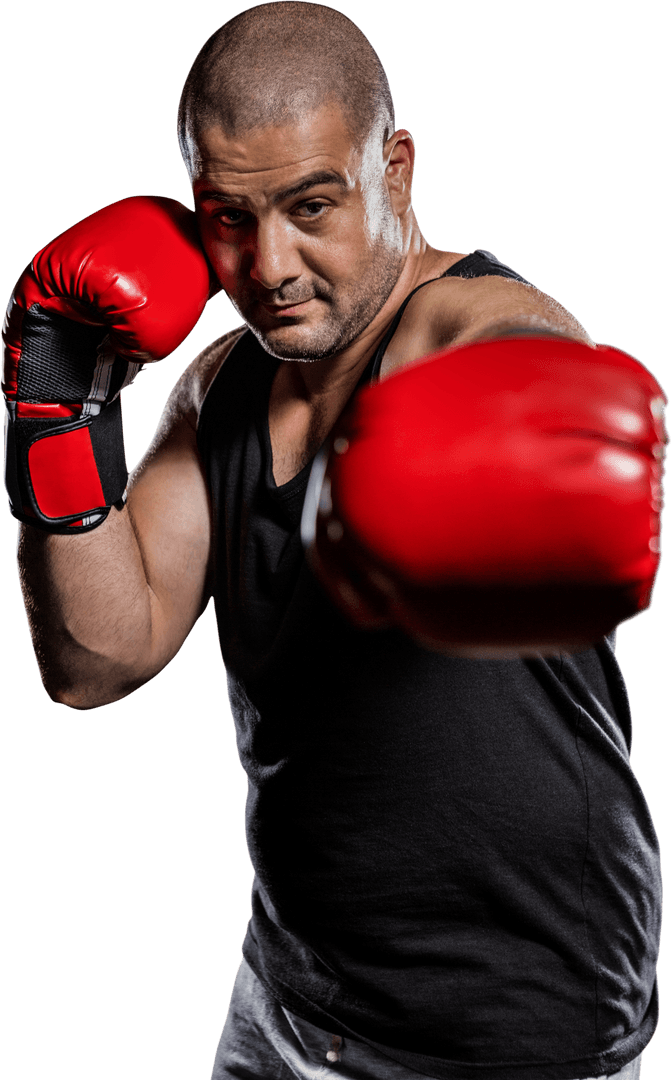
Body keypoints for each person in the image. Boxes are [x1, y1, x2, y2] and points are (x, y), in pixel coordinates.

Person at [1, 4, 664, 1079]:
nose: (270, 265)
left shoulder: (464, 324)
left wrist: (525, 414)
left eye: (312, 206)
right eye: (229, 218)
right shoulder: (224, 385)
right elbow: (95, 659)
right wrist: (54, 403)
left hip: (508, 1030)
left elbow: (523, 344)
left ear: (393, 171)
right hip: (292, 1002)